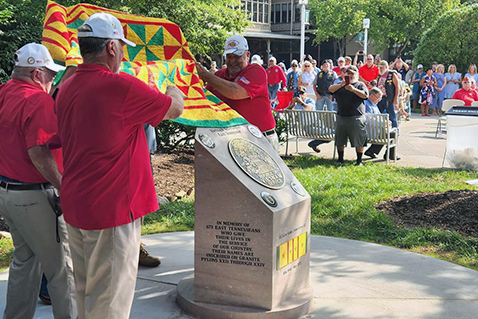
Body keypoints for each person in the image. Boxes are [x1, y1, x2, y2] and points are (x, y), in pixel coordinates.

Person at [55, 12, 184, 319]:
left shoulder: (66, 87)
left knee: (86, 296)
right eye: (122, 48)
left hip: (77, 205)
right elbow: (174, 108)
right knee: (110, 304)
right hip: (111, 211)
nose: (123, 55)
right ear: (111, 48)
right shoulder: (119, 87)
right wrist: (173, 87)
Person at [0, 43, 77, 318]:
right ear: (36, 74)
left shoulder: (5, 92)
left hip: (7, 192)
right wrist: (63, 187)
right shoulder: (37, 100)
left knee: (24, 261)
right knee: (61, 269)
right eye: (49, 74)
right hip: (33, 196)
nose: (51, 80)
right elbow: (39, 152)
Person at [195, 35, 279, 150]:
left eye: (237, 56)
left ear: (247, 55)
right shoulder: (219, 75)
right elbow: (203, 99)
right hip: (232, 140)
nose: (233, 61)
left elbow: (235, 92)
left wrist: (205, 75)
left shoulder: (256, 71)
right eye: (229, 56)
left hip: (260, 139)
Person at [329, 65, 369, 165]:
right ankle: (340, 159)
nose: (350, 75)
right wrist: (341, 85)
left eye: (352, 73)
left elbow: (365, 95)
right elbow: (330, 89)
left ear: (357, 74)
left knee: (359, 140)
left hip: (356, 117)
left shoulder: (360, 84)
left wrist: (353, 89)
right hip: (341, 116)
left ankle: (359, 161)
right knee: (340, 140)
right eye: (348, 73)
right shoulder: (340, 85)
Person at [364, 88, 400, 161]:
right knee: (393, 134)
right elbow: (369, 118)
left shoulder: (373, 104)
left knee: (387, 133)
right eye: (378, 97)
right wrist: (384, 123)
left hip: (375, 129)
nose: (380, 100)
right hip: (370, 131)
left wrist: (386, 122)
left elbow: (378, 116)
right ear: (371, 96)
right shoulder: (366, 104)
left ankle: (372, 151)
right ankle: (390, 155)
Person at [376, 60, 400, 128]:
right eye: (379, 67)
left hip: (389, 98)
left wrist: (396, 99)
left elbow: (397, 86)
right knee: (378, 114)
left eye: (382, 67)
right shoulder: (379, 75)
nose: (380, 69)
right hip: (380, 98)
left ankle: (395, 130)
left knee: (391, 115)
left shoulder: (391, 74)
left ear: (386, 67)